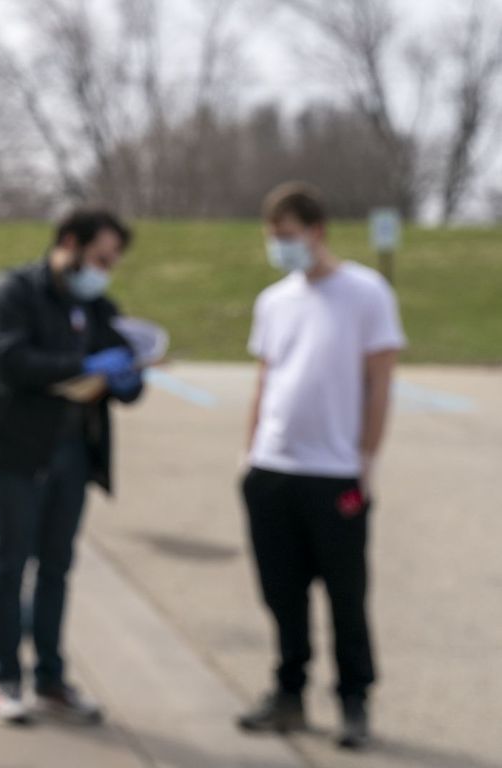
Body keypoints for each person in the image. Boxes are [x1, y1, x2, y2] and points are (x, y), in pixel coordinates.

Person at [0, 209, 144, 726]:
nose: (105, 271)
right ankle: (7, 678)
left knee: (57, 565)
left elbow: (124, 360)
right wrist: (82, 366)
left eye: (112, 263)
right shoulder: (13, 292)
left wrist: (129, 377)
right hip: (17, 449)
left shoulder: (98, 307)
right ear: (69, 243)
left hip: (73, 453)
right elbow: (12, 358)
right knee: (13, 560)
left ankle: (52, 678)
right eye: (100, 259)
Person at [237, 183, 404, 750]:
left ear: (317, 231)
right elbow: (267, 381)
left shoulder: (366, 292)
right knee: (281, 593)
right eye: (273, 237)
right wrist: (249, 452)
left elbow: (380, 381)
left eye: (287, 236)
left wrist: (367, 459)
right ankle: (288, 693)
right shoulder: (274, 301)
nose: (280, 247)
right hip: (272, 468)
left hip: (335, 472)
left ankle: (354, 700)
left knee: (345, 594)